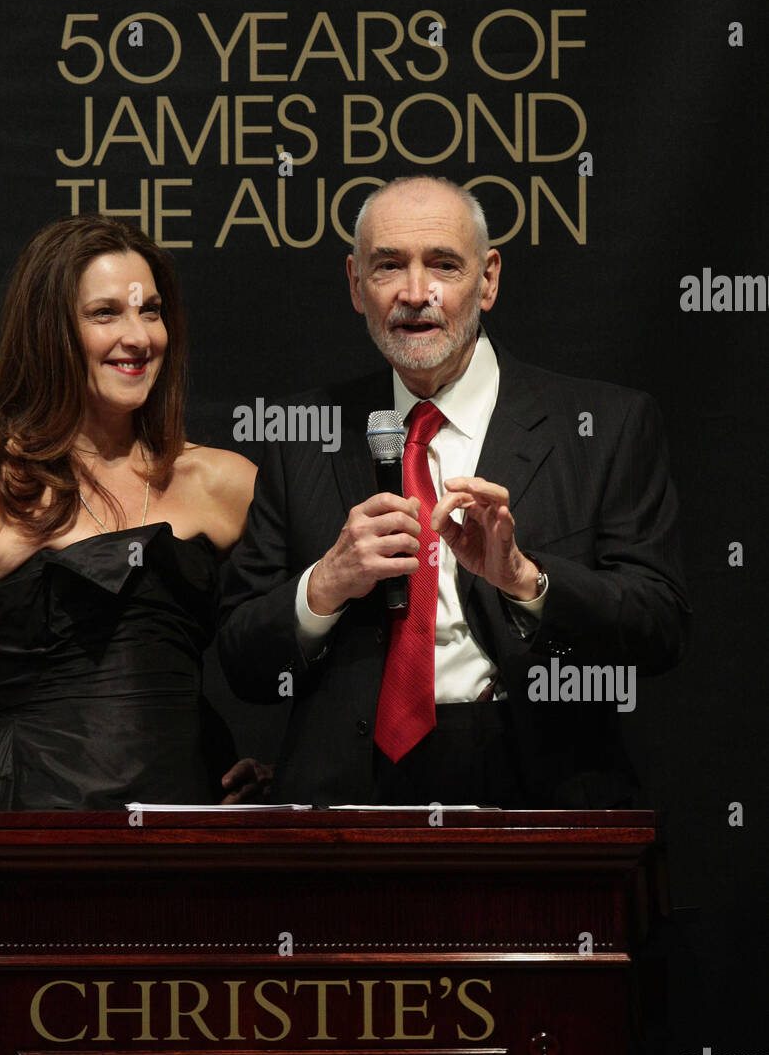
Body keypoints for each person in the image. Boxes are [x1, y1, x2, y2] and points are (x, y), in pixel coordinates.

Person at [218, 176, 690, 807]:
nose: (417, 294)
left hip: (540, 788)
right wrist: (323, 585)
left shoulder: (605, 426)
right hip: (349, 800)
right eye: (389, 267)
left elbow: (660, 630)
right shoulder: (304, 437)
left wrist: (529, 580)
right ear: (356, 284)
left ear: (488, 279)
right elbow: (242, 660)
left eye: (444, 264)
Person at [0, 214, 258, 941]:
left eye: (150, 311)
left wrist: (290, 777)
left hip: (194, 829)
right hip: (28, 834)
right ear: (51, 331)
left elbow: (291, 636)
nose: (138, 336)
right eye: (105, 313)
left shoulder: (225, 482)